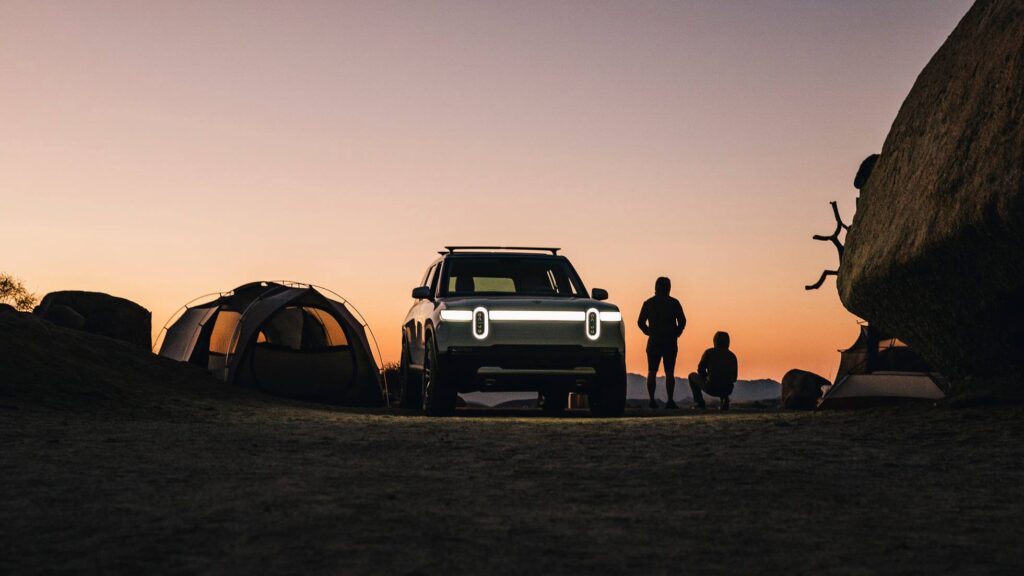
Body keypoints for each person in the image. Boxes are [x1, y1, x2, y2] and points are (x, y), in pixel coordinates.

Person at [637, 277, 686, 409]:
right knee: (670, 372)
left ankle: (652, 400)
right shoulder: (674, 303)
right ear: (669, 288)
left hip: (654, 341)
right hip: (670, 341)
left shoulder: (649, 303)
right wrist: (677, 332)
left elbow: (640, 322)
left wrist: (648, 332)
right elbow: (682, 320)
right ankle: (670, 400)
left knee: (652, 371)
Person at [689, 331, 738, 411]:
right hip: (727, 389)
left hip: (711, 387)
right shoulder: (732, 356)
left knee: (691, 376)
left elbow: (700, 370)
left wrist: (707, 377)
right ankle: (725, 400)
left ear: (715, 341)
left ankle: (699, 403)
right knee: (724, 379)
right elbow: (735, 378)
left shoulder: (709, 352)